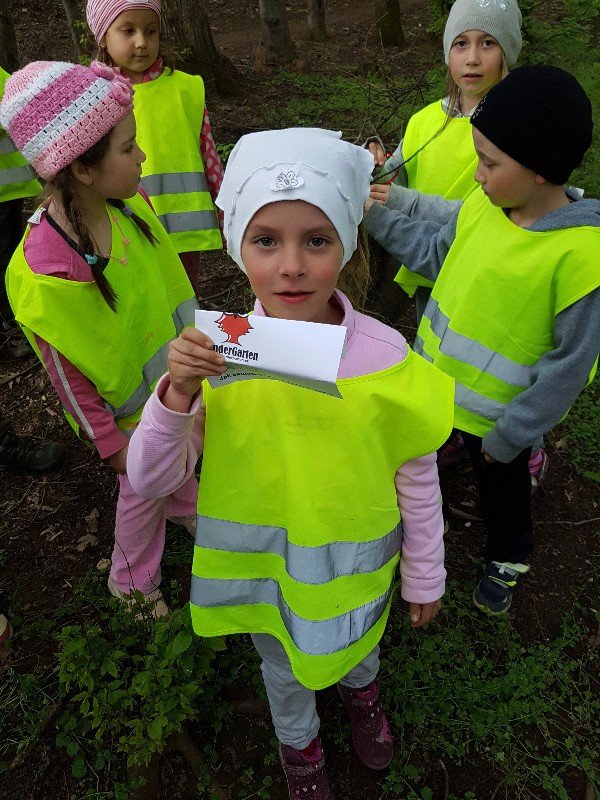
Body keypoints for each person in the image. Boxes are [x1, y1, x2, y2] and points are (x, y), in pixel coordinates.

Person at [126, 128, 455, 800]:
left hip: (357, 577)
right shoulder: (220, 358)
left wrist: (425, 570)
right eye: (267, 241)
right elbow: (153, 478)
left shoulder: (386, 357)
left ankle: (362, 694)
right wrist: (177, 395)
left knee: (359, 647)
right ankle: (299, 746)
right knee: (283, 670)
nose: (293, 266)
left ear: (349, 244)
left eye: (317, 240)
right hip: (268, 579)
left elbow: (416, 471)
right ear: (237, 246)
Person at [363, 65, 600, 615]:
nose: (476, 174)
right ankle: (424, 525)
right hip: (434, 390)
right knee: (419, 465)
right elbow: (434, 254)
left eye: (490, 163)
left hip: (499, 421)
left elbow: (570, 368)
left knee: (502, 491)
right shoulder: (484, 206)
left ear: (539, 169)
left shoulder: (581, 257)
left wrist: (513, 434)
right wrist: (375, 218)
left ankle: (508, 554)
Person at [0, 60, 201, 617]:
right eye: (129, 148)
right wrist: (110, 443)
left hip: (173, 385)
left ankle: (184, 501)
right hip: (130, 418)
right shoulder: (49, 269)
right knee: (139, 493)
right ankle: (130, 581)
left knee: (181, 450)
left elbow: (161, 288)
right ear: (83, 169)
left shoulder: (131, 207)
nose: (143, 157)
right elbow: (66, 373)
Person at [85, 0, 224, 296]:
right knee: (138, 297)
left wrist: (228, 212)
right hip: (122, 226)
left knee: (183, 297)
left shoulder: (186, 88)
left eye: (151, 31)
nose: (141, 42)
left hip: (182, 228)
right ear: (103, 38)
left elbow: (208, 154)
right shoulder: (92, 95)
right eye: (128, 31)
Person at [1, 66, 40, 360]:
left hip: (11, 190)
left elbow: (18, 100)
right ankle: (9, 332)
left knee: (14, 259)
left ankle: (20, 321)